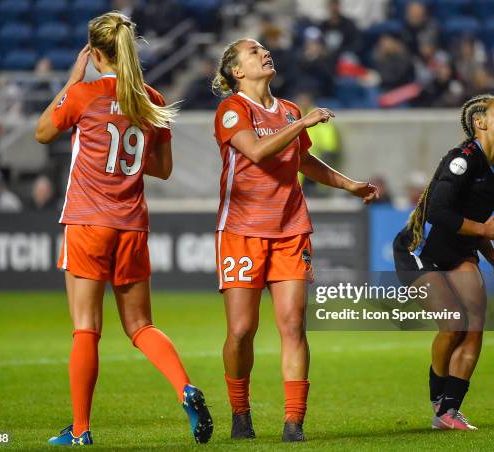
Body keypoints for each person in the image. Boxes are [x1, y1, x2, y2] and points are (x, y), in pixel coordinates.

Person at [34, 12, 213, 446]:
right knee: (140, 326)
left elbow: (42, 133)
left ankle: (80, 431)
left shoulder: (82, 95)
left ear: (94, 54)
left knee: (85, 328)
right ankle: (185, 388)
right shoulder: (150, 98)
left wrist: (71, 79)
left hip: (88, 222)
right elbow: (163, 169)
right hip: (131, 225)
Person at [211, 38, 378, 442]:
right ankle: (240, 412)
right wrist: (301, 125)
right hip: (241, 232)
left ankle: (293, 422)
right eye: (254, 52)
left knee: (292, 325)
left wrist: (348, 184)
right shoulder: (232, 110)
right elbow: (255, 153)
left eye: (264, 49)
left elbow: (302, 160)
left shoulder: (287, 110)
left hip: (290, 230)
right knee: (241, 332)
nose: (264, 53)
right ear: (237, 71)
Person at [392, 94, 494, 430]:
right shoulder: (460, 160)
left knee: (475, 322)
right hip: (420, 252)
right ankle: (438, 395)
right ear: (480, 122)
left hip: (460, 251)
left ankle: (449, 411)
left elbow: (479, 221)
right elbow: (438, 212)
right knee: (453, 324)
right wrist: (486, 231)